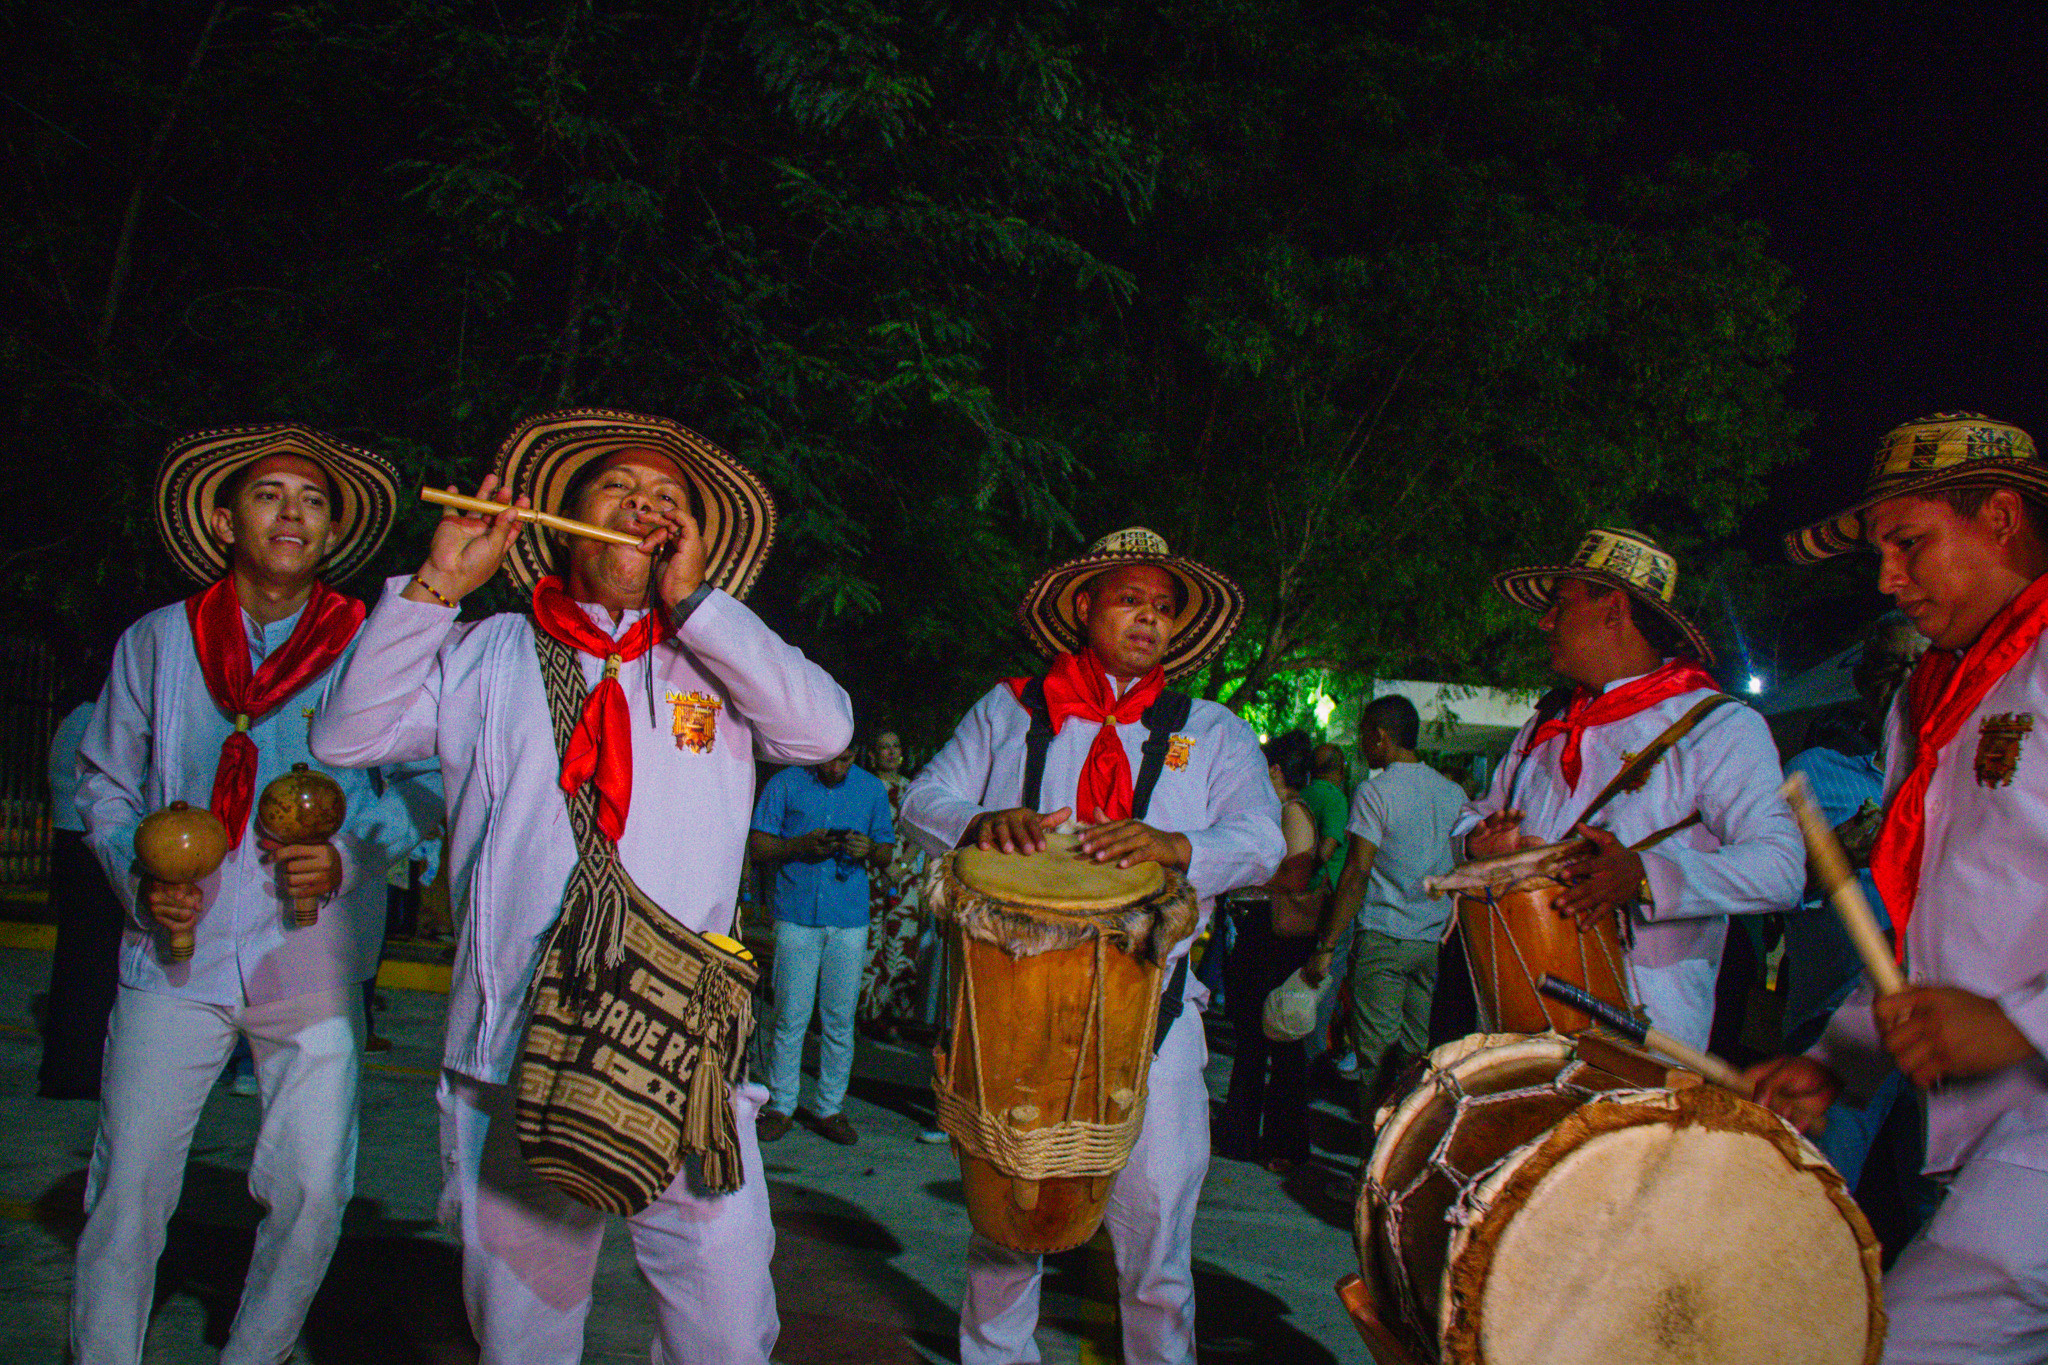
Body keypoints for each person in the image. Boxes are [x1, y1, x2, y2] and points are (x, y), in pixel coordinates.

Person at [311, 408, 852, 1365]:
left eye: (667, 499)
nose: (643, 506)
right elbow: (345, 734)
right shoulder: (483, 652)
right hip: (516, 1042)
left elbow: (824, 730)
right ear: (564, 524)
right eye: (618, 489)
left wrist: (701, 606)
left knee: (727, 1331)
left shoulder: (716, 658)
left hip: (683, 1049)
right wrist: (437, 586)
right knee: (523, 1332)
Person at [71, 424, 441, 1365]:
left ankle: (257, 1351)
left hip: (310, 952)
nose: (292, 513)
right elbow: (105, 782)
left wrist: (351, 855)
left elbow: (427, 782)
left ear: (332, 532)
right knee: (129, 1186)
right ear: (224, 519)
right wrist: (140, 878)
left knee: (313, 1187)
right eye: (269, 494)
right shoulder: (160, 639)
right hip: (174, 954)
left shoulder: (369, 644)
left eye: (313, 501)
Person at [902, 526, 1283, 1365]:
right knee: (1008, 1229)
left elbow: (1263, 839)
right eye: (1129, 599)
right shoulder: (1010, 709)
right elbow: (922, 797)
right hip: (1017, 1010)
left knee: (1157, 1242)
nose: (1149, 618)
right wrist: (978, 821)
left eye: (1163, 607)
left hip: (1157, 1012)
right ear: (1084, 605)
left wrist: (1177, 845)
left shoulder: (1212, 729)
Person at [1752, 412, 2048, 1364]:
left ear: (1999, 518)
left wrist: (2019, 1023)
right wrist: (1841, 1060)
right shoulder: (1935, 699)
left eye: (1909, 543)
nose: (1886, 579)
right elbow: (1940, 929)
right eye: (1880, 551)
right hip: (1990, 1136)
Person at [1459, 527, 1803, 1050]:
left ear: (1613, 611)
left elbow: (1781, 870)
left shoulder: (1717, 727)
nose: (1545, 622)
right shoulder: (1544, 726)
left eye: (1561, 604)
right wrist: (1478, 842)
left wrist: (1645, 877)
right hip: (1516, 1028)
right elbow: (1474, 816)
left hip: (1648, 1039)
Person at [1778, 618, 1925, 1186]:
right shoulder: (1814, 772)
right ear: (1864, 680)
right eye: (1890, 666)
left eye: (1918, 665)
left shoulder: (1951, 774)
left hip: (1934, 1017)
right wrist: (1837, 853)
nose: (1905, 680)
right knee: (1818, 1180)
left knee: (1932, 1194)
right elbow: (1772, 885)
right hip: (1835, 1021)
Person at [1304, 695, 1466, 1112]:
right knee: (1414, 1061)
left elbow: (1357, 871)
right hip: (1429, 942)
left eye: (1363, 735)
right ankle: (1406, 1140)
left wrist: (1327, 946)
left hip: (1383, 938)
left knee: (1376, 1065)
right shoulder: (1452, 792)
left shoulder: (1375, 792)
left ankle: (1375, 1148)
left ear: (1380, 736)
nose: (1361, 746)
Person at [750, 743, 895, 1144]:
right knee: (790, 1016)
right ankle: (781, 1105)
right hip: (796, 913)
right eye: (831, 758)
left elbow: (886, 851)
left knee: (839, 1020)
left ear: (856, 754)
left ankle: (829, 1108)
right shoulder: (786, 783)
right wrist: (798, 846)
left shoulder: (870, 789)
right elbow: (758, 845)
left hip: (849, 918)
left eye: (847, 759)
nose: (837, 768)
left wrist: (869, 849)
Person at [1215, 729, 1321, 1173]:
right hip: (1262, 932)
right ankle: (1247, 1134)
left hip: (1273, 935)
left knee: (1276, 1038)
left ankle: (1278, 1141)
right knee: (1256, 1038)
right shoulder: (1278, 811)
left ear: (1274, 770)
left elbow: (1296, 876)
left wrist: (1246, 870)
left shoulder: (1291, 811)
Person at [39, 690, 124, 1100]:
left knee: (75, 960)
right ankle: (82, 1069)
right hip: (89, 846)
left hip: (70, 842)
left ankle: (66, 1068)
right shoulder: (99, 717)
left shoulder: (75, 717)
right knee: (95, 963)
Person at [857, 729, 932, 1038]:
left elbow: (921, 832)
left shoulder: (912, 789)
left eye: (895, 746)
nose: (890, 752)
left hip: (905, 875)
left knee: (901, 943)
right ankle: (866, 1013)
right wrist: (885, 864)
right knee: (870, 944)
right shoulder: (862, 786)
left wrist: (901, 866)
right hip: (870, 872)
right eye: (883, 747)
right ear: (873, 754)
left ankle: (895, 1015)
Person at [1299, 742, 1354, 1072]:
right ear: (1341, 767)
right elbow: (1326, 850)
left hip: (1298, 903)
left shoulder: (1303, 795)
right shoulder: (1335, 798)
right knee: (1324, 983)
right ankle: (1314, 1058)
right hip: (1327, 902)